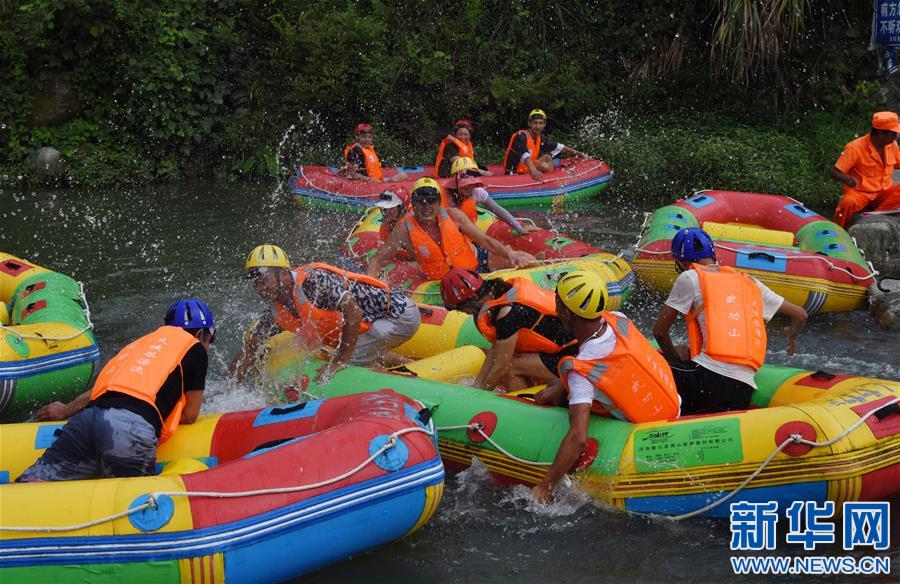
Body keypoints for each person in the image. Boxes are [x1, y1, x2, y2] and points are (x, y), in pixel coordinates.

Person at [17, 299, 215, 482]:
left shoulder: (141, 344)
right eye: (210, 340)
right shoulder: (195, 348)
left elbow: (105, 389)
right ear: (200, 334)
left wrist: (66, 410)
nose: (207, 346)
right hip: (128, 429)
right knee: (133, 507)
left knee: (34, 485)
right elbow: (190, 415)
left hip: (87, 419)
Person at [531, 271, 680, 502]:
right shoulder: (617, 319)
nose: (556, 309)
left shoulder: (581, 372)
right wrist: (560, 386)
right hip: (672, 405)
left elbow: (578, 438)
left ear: (568, 313)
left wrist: (545, 486)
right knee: (556, 383)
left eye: (558, 303)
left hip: (647, 434)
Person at [652, 228, 808, 415]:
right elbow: (800, 314)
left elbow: (659, 332)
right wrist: (791, 335)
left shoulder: (689, 277)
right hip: (742, 392)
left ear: (682, 261)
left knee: (651, 359)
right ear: (713, 254)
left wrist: (675, 353)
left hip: (706, 381)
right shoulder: (750, 282)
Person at [229, 245, 420, 384]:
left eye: (264, 279)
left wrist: (341, 360)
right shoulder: (276, 310)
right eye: (255, 282)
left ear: (284, 274)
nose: (259, 287)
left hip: (398, 315)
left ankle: (402, 386)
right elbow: (252, 346)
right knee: (337, 349)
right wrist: (229, 387)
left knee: (343, 358)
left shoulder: (314, 283)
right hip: (378, 324)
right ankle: (414, 365)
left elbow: (354, 312)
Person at [367, 178, 537, 280]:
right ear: (413, 204)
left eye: (432, 201)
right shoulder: (404, 230)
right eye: (421, 202)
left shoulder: (454, 216)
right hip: (441, 280)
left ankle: (538, 260)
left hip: (476, 263)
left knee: (524, 260)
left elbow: (485, 241)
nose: (426, 207)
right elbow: (376, 260)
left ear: (439, 202)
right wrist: (372, 287)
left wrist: (510, 254)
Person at [440, 268, 577, 392]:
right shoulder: (500, 292)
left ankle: (526, 411)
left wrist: (481, 396)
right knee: (508, 360)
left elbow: (501, 366)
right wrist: (477, 385)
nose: (465, 313)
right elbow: (496, 349)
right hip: (562, 349)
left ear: (474, 298)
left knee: (510, 368)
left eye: (462, 309)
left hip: (576, 355)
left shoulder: (508, 313)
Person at [830, 111, 900, 228]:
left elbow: (898, 163)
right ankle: (836, 230)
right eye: (893, 133)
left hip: (883, 193)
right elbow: (834, 172)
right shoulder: (855, 147)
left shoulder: (891, 145)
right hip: (860, 193)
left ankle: (875, 214)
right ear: (881, 133)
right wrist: (847, 179)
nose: (895, 137)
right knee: (847, 203)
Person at [443, 157, 536, 234]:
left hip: (467, 234)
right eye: (465, 185)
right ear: (455, 181)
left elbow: (497, 209)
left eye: (471, 184)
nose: (469, 187)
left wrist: (518, 227)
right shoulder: (444, 195)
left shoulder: (477, 192)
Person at [503, 109, 588, 179]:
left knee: (547, 158)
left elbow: (561, 147)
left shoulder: (540, 138)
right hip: (514, 174)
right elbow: (525, 155)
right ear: (529, 123)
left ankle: (552, 177)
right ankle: (551, 178)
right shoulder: (520, 136)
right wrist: (533, 170)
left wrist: (580, 154)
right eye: (535, 123)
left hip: (526, 170)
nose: (538, 126)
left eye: (540, 123)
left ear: (544, 124)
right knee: (544, 164)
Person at [342, 123, 408, 183]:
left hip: (377, 181)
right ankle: (387, 184)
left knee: (403, 175)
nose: (367, 140)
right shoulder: (355, 151)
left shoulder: (368, 149)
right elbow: (352, 174)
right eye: (364, 137)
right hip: (366, 183)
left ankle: (388, 183)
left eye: (369, 137)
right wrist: (369, 179)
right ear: (357, 137)